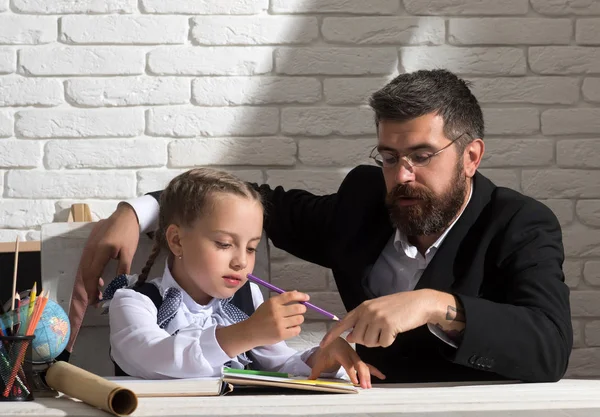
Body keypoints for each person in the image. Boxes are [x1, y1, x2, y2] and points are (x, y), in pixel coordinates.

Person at [76, 69, 572, 384]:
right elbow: (240, 204)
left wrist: (434, 305)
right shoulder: (364, 200)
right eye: (389, 156)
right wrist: (138, 212)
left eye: (422, 156)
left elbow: (549, 348)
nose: (401, 176)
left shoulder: (520, 223)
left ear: (470, 156)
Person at [103, 168, 383, 387]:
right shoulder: (133, 302)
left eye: (251, 248)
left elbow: (277, 365)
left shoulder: (248, 298)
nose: (241, 261)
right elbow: (156, 358)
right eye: (224, 244)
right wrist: (247, 332)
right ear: (177, 241)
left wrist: (320, 358)